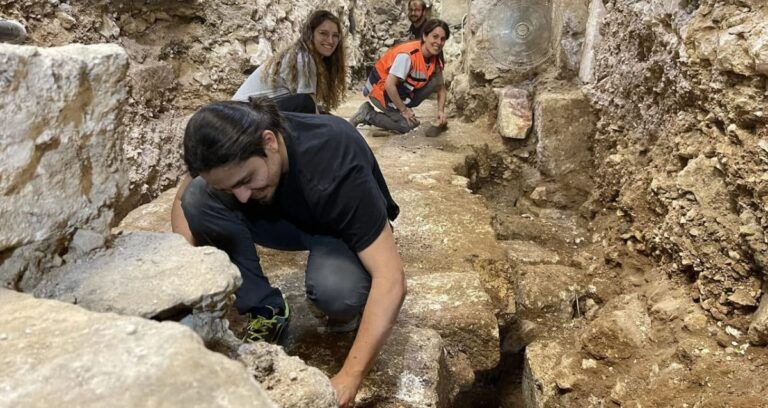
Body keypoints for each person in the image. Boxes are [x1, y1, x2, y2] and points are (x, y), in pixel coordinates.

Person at [171, 98, 406, 407]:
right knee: (200, 198)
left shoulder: (335, 163)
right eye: (230, 188)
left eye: (246, 180)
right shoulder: (232, 141)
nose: (241, 197)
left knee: (336, 293)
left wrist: (350, 376)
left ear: (269, 142)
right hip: (282, 220)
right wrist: (183, 285)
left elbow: (392, 280)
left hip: (336, 228)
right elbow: (183, 199)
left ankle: (346, 286)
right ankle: (266, 307)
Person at [232, 10, 347, 114]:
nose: (330, 40)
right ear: (310, 34)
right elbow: (310, 109)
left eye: (335, 36)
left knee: (322, 113)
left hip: (253, 110)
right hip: (244, 113)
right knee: (305, 103)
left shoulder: (307, 56)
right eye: (323, 33)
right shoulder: (303, 58)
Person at [349, 19, 450, 134]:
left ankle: (399, 107)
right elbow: (389, 85)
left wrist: (441, 112)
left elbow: (441, 88)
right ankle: (367, 114)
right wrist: (404, 110)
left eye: (442, 39)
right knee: (407, 126)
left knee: (435, 81)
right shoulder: (408, 55)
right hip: (380, 91)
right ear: (425, 36)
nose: (438, 42)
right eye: (435, 36)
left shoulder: (434, 58)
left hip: (400, 91)